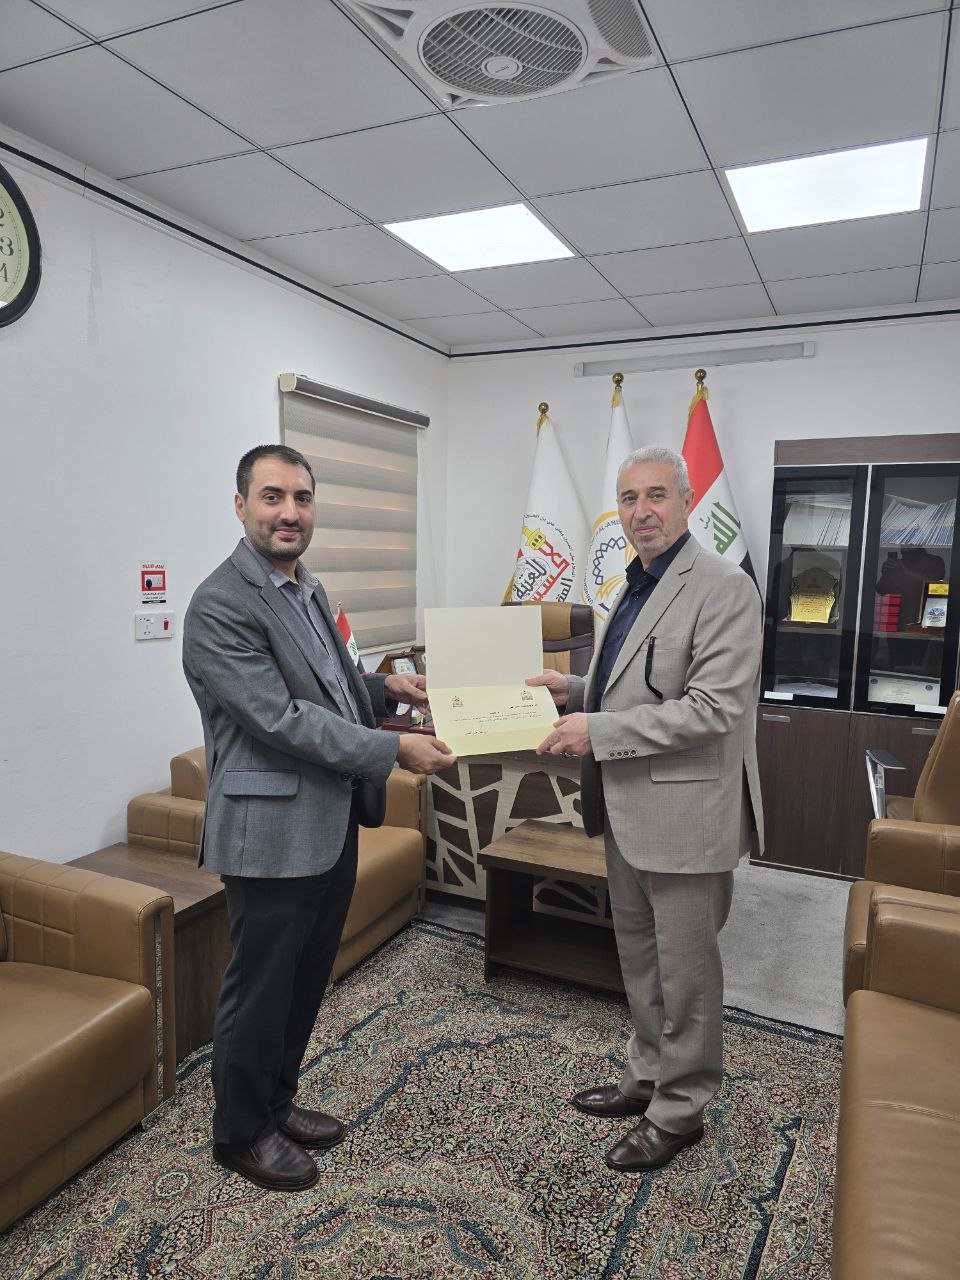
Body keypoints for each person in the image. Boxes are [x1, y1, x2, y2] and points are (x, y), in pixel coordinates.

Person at [182, 444, 455, 1192]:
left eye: (301, 498)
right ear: (241, 505)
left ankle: (276, 1104)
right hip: (269, 832)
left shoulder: (306, 585)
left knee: (303, 982)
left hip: (327, 820)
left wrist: (385, 687)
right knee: (261, 987)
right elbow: (281, 717)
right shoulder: (220, 603)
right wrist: (393, 750)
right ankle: (240, 1132)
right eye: (272, 496)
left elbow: (328, 682)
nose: (289, 512)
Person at [528, 446, 762, 1173]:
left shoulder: (724, 588)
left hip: (688, 817)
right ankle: (648, 1075)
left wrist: (595, 730)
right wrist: (572, 693)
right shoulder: (631, 583)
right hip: (627, 811)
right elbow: (638, 684)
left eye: (656, 495)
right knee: (640, 958)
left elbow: (712, 709)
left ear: (687, 500)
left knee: (687, 974)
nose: (641, 512)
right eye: (629, 498)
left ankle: (681, 1108)